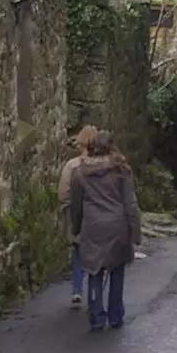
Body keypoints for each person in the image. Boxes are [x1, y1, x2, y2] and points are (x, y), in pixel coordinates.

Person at [69, 130, 142, 331]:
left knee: (94, 271)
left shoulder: (79, 173)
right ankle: (115, 314)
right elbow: (130, 204)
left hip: (93, 226)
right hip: (117, 225)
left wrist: (76, 227)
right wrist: (135, 231)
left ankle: (96, 316)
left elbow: (76, 205)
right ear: (112, 146)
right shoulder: (121, 170)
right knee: (117, 270)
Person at [57, 125, 99, 309]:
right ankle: (93, 291)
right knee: (96, 255)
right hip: (97, 215)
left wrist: (67, 207)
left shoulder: (72, 165)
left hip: (77, 215)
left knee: (77, 252)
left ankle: (76, 290)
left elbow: (63, 192)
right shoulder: (102, 163)